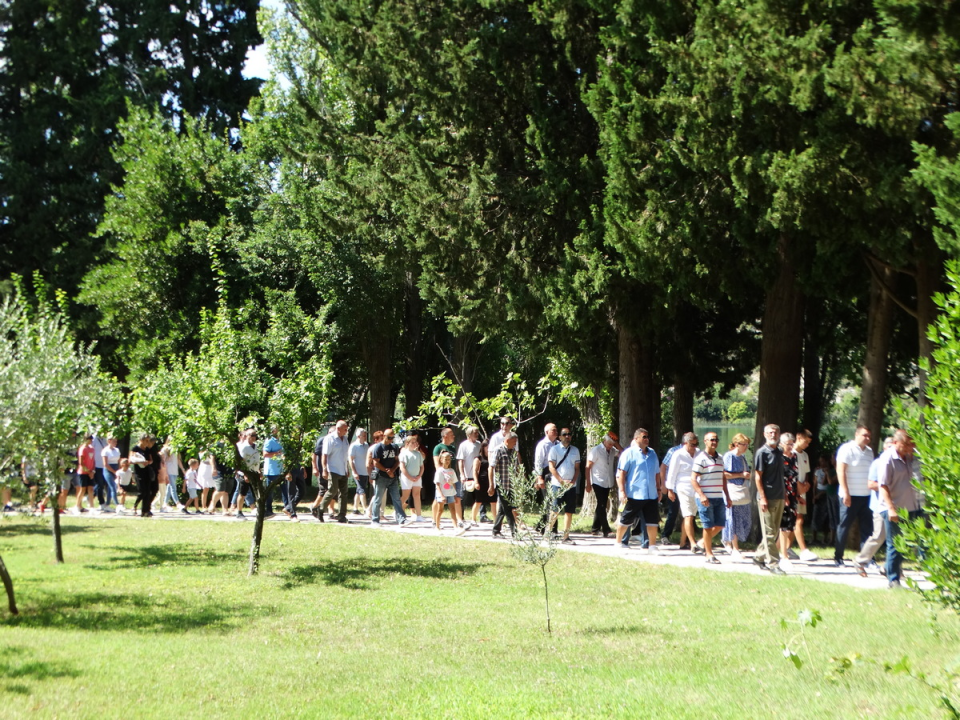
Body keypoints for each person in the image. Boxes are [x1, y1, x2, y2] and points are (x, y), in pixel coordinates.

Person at [877, 430, 921, 589]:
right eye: (906, 444)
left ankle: (889, 569)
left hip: (910, 507)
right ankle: (893, 580)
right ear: (896, 443)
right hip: (893, 508)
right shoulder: (887, 459)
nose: (909, 447)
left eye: (910, 444)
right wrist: (891, 509)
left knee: (906, 543)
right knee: (895, 543)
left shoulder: (909, 456)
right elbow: (883, 486)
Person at [852, 436, 895, 577]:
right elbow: (871, 484)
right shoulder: (878, 463)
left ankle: (890, 568)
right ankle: (860, 560)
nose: (891, 449)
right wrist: (888, 487)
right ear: (884, 448)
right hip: (880, 506)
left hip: (896, 505)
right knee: (879, 536)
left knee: (896, 538)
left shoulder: (898, 463)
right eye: (889, 446)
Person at [833, 426, 874, 567]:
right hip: (849, 495)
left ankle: (867, 558)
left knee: (868, 529)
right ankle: (838, 557)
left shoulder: (869, 452)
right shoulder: (846, 449)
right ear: (856, 435)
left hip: (866, 496)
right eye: (864, 435)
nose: (867, 438)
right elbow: (841, 470)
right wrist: (845, 492)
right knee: (844, 526)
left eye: (869, 436)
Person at [614, 428, 661, 551]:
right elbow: (621, 474)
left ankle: (652, 546)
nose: (647, 439)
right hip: (634, 493)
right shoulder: (628, 453)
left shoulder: (652, 453)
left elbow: (657, 473)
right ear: (636, 439)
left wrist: (659, 489)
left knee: (652, 521)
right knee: (626, 519)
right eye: (644, 437)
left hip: (651, 494)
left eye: (647, 437)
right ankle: (618, 543)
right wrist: (622, 491)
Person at [690, 431, 730, 564]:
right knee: (707, 526)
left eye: (716, 440)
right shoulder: (700, 458)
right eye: (711, 440)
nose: (714, 442)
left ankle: (701, 543)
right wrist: (701, 495)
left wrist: (727, 496)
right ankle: (709, 554)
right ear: (705, 441)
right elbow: (693, 479)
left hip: (718, 496)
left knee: (720, 524)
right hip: (705, 497)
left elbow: (722, 477)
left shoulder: (720, 458)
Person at [753, 423, 786, 575]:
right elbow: (758, 477)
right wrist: (763, 497)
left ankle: (758, 556)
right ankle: (773, 564)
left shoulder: (779, 452)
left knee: (775, 532)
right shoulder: (762, 453)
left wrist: (784, 494)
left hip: (779, 496)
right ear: (765, 434)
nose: (773, 435)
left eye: (776, 433)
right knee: (769, 532)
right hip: (766, 498)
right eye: (770, 433)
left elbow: (780, 475)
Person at [665, 432, 700, 553]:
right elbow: (672, 473)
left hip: (696, 488)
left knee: (690, 516)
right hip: (682, 487)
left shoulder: (699, 453)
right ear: (685, 443)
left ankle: (682, 542)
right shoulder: (678, 454)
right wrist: (670, 490)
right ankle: (693, 543)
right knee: (688, 515)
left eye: (696, 444)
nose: (694, 447)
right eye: (692, 444)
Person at [546, 427, 581, 544]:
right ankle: (548, 533)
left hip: (571, 485)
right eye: (565, 434)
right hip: (557, 484)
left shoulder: (575, 450)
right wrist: (561, 481)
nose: (567, 436)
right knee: (555, 509)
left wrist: (572, 482)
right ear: (560, 437)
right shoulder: (554, 450)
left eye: (569, 434)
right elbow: (551, 467)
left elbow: (577, 468)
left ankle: (566, 536)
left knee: (569, 511)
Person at [721, 434, 752, 559]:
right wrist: (741, 475)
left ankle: (727, 541)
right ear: (736, 444)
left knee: (743, 519)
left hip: (742, 492)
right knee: (732, 518)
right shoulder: (729, 456)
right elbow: (725, 475)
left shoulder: (743, 457)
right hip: (731, 491)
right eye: (744, 444)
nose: (746, 447)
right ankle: (735, 548)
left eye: (747, 445)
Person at [370, 428, 409, 527]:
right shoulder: (378, 448)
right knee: (378, 499)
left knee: (396, 498)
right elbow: (375, 463)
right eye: (389, 437)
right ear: (384, 436)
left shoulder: (394, 447)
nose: (391, 439)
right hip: (381, 477)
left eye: (392, 437)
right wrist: (386, 471)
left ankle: (402, 519)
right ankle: (375, 520)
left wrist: (392, 470)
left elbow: (397, 461)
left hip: (393, 477)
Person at [585, 432, 620, 537]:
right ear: (604, 441)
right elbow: (588, 467)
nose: (610, 446)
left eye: (612, 444)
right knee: (601, 505)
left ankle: (595, 528)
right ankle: (606, 529)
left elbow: (623, 453)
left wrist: (616, 444)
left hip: (608, 481)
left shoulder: (613, 450)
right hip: (597, 481)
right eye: (609, 444)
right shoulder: (596, 450)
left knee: (602, 504)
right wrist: (588, 483)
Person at [791, 430, 817, 561]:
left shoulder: (805, 455)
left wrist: (806, 484)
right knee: (797, 520)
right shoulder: (790, 453)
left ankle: (785, 548)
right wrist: (797, 486)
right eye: (805, 441)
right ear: (798, 437)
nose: (807, 444)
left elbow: (805, 473)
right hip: (793, 490)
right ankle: (803, 550)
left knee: (796, 520)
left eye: (809, 442)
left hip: (802, 491)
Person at [490, 432, 522, 539]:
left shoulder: (513, 452)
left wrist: (518, 481)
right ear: (507, 441)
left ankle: (496, 530)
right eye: (514, 442)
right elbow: (491, 467)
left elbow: (517, 467)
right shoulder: (498, 450)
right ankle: (514, 533)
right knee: (508, 508)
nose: (515, 444)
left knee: (503, 509)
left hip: (511, 485)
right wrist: (491, 484)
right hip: (502, 485)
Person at [319, 420, 350, 523]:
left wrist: (347, 468)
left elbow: (346, 456)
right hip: (333, 469)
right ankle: (320, 510)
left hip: (343, 469)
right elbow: (325, 455)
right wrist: (324, 469)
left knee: (344, 493)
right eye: (345, 429)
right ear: (338, 429)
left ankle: (342, 515)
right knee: (332, 490)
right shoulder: (330, 438)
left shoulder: (345, 439)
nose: (346, 431)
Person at [777, 433, 799, 571]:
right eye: (788, 444)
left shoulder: (794, 456)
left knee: (791, 525)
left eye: (792, 444)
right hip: (783, 494)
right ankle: (784, 556)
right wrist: (784, 496)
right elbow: (780, 478)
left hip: (793, 494)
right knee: (784, 525)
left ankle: (771, 551)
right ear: (781, 444)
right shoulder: (779, 458)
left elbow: (794, 477)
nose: (791, 447)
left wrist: (798, 495)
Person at [433, 427, 463, 528]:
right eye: (451, 435)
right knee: (438, 500)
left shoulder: (453, 448)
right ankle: (435, 521)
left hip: (452, 475)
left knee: (456, 498)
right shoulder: (438, 447)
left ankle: (459, 521)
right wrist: (442, 475)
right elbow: (437, 463)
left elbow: (455, 463)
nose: (453, 436)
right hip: (442, 477)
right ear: (445, 436)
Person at [532, 422, 557, 531]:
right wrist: (539, 478)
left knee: (553, 500)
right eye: (553, 430)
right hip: (546, 473)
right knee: (551, 502)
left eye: (556, 430)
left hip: (556, 473)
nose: (556, 431)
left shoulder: (557, 444)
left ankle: (540, 527)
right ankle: (552, 529)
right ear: (547, 432)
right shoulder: (542, 445)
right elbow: (538, 462)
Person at [456, 426, 482, 527]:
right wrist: (462, 474)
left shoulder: (479, 444)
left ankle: (474, 518)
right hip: (466, 476)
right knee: (462, 497)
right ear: (469, 434)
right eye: (475, 432)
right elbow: (460, 461)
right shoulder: (464, 445)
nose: (477, 434)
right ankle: (461, 518)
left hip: (477, 476)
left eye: (477, 432)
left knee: (478, 497)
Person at [434, 451, 465, 534]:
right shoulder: (440, 471)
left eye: (449, 459)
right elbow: (437, 485)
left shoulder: (452, 470)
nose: (447, 461)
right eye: (445, 459)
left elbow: (454, 483)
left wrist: (455, 494)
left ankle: (455, 527)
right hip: (442, 494)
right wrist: (441, 496)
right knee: (440, 510)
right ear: (441, 460)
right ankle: (437, 527)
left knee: (453, 509)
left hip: (450, 493)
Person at [131, 434, 159, 518]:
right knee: (142, 491)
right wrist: (140, 462)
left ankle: (145, 511)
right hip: (139, 472)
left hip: (147, 472)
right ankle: (135, 506)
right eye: (146, 440)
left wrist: (148, 462)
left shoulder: (147, 449)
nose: (147, 443)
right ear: (141, 440)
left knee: (148, 492)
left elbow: (151, 460)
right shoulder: (135, 449)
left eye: (148, 441)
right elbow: (131, 459)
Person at [235, 431, 261, 520]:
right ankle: (239, 512)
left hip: (255, 471)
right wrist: (245, 474)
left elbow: (257, 459)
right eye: (251, 435)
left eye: (255, 435)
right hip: (245, 473)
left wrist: (259, 470)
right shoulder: (244, 447)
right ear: (246, 436)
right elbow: (241, 461)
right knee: (243, 493)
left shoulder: (256, 446)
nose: (253, 437)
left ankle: (260, 511)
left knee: (258, 492)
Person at [399, 435, 425, 523]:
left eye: (415, 442)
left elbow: (422, 466)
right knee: (405, 495)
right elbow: (402, 468)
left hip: (417, 477)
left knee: (417, 495)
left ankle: (419, 515)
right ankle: (397, 511)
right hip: (407, 477)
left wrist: (419, 476)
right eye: (412, 443)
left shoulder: (418, 454)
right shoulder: (404, 453)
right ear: (407, 443)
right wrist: (409, 477)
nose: (415, 444)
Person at [159, 437, 187, 513]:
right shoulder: (165, 449)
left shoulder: (176, 449)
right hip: (169, 470)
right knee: (173, 487)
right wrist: (163, 471)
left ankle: (164, 504)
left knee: (169, 488)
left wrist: (183, 470)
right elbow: (162, 460)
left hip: (174, 471)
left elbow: (178, 460)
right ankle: (178, 504)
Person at [471, 440, 494, 524]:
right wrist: (476, 482)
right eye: (487, 447)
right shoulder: (478, 458)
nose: (488, 449)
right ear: (483, 447)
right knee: (478, 501)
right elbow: (475, 471)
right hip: (481, 482)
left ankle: (497, 521)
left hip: (491, 482)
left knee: (493, 502)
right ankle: (473, 519)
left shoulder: (493, 457)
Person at [262, 426, 284, 514]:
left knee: (285, 489)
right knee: (269, 492)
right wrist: (277, 453)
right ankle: (268, 510)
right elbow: (265, 454)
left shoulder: (282, 440)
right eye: (279, 429)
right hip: (271, 470)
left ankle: (288, 509)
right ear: (274, 431)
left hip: (281, 469)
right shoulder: (269, 440)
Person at [349, 428, 370, 516]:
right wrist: (354, 472)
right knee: (362, 491)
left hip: (365, 472)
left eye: (365, 435)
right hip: (358, 472)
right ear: (358, 436)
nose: (365, 437)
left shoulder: (366, 445)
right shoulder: (354, 446)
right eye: (364, 436)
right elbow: (350, 459)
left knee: (359, 491)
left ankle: (355, 509)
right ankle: (366, 509)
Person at [365, 431, 384, 520]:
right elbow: (368, 464)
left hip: (384, 474)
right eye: (381, 438)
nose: (383, 440)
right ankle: (369, 510)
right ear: (376, 440)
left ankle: (381, 513)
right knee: (378, 493)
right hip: (375, 474)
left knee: (383, 494)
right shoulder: (372, 448)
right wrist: (370, 476)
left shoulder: (385, 447)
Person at [75, 434, 96, 513]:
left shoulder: (92, 449)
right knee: (83, 489)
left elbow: (93, 461)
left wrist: (93, 471)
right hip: (83, 472)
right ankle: (77, 506)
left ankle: (92, 507)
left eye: (91, 439)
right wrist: (88, 471)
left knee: (91, 489)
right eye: (89, 439)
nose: (90, 441)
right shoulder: (82, 448)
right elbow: (81, 463)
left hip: (90, 472)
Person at [100, 437, 121, 511]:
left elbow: (118, 461)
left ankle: (107, 504)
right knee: (113, 486)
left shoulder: (117, 450)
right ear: (109, 441)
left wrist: (118, 470)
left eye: (116, 441)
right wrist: (114, 471)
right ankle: (117, 504)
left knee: (110, 488)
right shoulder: (105, 451)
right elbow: (105, 464)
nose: (115, 443)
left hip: (115, 468)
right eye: (114, 441)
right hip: (108, 469)